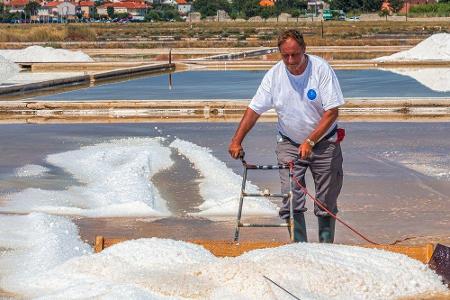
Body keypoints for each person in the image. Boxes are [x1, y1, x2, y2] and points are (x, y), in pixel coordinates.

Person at [228, 29, 345, 243]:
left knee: (326, 200)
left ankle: (327, 249)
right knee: (291, 197)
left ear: (304, 50)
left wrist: (311, 140)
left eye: (295, 55)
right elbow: (254, 110)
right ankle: (300, 248)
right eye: (285, 56)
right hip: (290, 144)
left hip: (324, 142)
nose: (290, 61)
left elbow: (332, 112)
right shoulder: (274, 76)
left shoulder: (320, 70)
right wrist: (237, 140)